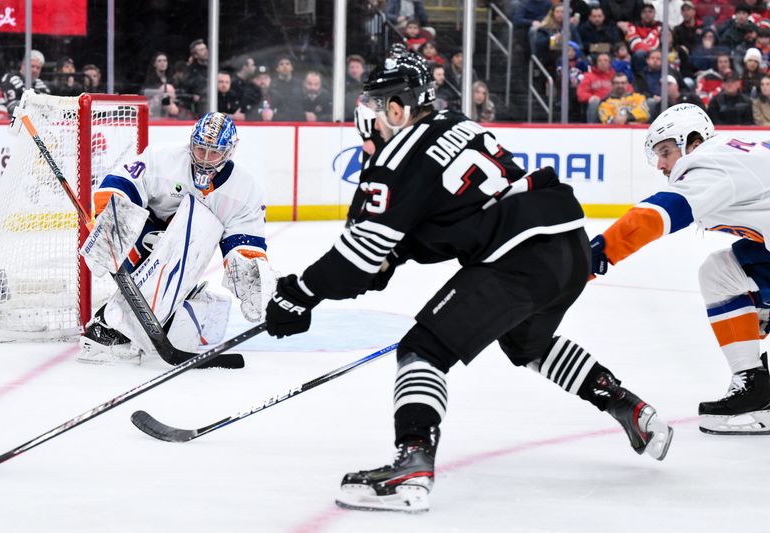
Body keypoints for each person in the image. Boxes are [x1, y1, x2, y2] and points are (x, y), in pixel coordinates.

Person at [264, 52, 673, 513]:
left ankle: (411, 465)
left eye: (376, 106)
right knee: (527, 344)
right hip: (567, 240)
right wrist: (389, 258)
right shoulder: (457, 124)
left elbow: (361, 254)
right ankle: (630, 408)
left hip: (518, 254)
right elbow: (448, 218)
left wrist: (300, 294)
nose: (370, 118)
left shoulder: (397, 155)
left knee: (423, 350)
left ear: (397, 109)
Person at [589, 103, 770, 435]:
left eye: (666, 151)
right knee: (721, 273)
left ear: (694, 141)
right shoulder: (733, 154)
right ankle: (755, 389)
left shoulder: (710, 162)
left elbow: (657, 214)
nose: (661, 164)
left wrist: (600, 252)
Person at [79, 112, 273, 365]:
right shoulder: (162, 159)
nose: (204, 159)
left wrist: (251, 276)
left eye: (213, 153)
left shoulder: (245, 190)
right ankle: (113, 324)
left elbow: (245, 243)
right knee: (189, 224)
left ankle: (128, 321)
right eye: (199, 149)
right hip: (139, 240)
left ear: (229, 152)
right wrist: (112, 219)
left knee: (200, 223)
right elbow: (122, 181)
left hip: (183, 254)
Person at [0, 49, 50, 115]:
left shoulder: (41, 84)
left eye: (38, 68)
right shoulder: (10, 79)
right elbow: (11, 107)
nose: (35, 70)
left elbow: (48, 108)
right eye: (32, 66)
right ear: (23, 65)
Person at [577, 52, 616, 123]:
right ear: (596, 63)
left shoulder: (616, 76)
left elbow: (628, 90)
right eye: (600, 60)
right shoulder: (588, 76)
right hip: (598, 104)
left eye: (605, 60)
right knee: (594, 102)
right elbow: (581, 93)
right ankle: (592, 128)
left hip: (614, 103)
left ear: (610, 63)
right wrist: (589, 97)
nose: (602, 63)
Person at [182, 39, 209, 117]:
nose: (205, 51)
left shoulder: (213, 67)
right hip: (198, 109)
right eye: (201, 50)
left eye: (205, 49)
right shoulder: (190, 71)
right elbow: (187, 89)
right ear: (195, 55)